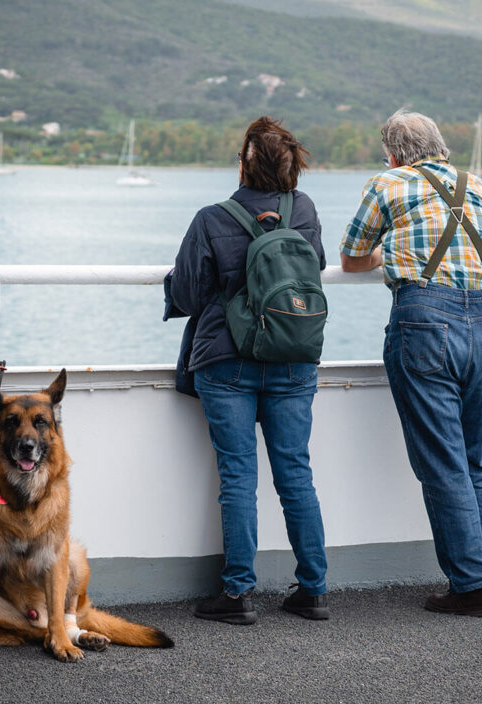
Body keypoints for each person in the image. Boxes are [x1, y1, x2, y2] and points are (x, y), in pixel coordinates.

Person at [340, 109, 482, 617]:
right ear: (441, 147)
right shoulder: (477, 186)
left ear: (393, 155)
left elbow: (351, 257)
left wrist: (385, 252)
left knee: (442, 461)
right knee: (474, 458)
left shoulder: (388, 184)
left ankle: (474, 587)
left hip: (428, 322)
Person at [164, 116, 329, 625]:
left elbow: (187, 294)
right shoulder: (303, 210)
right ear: (291, 166)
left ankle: (237, 595)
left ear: (243, 165)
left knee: (238, 477)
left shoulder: (211, 218)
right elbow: (316, 266)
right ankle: (313, 591)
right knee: (295, 474)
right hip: (293, 357)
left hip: (228, 361)